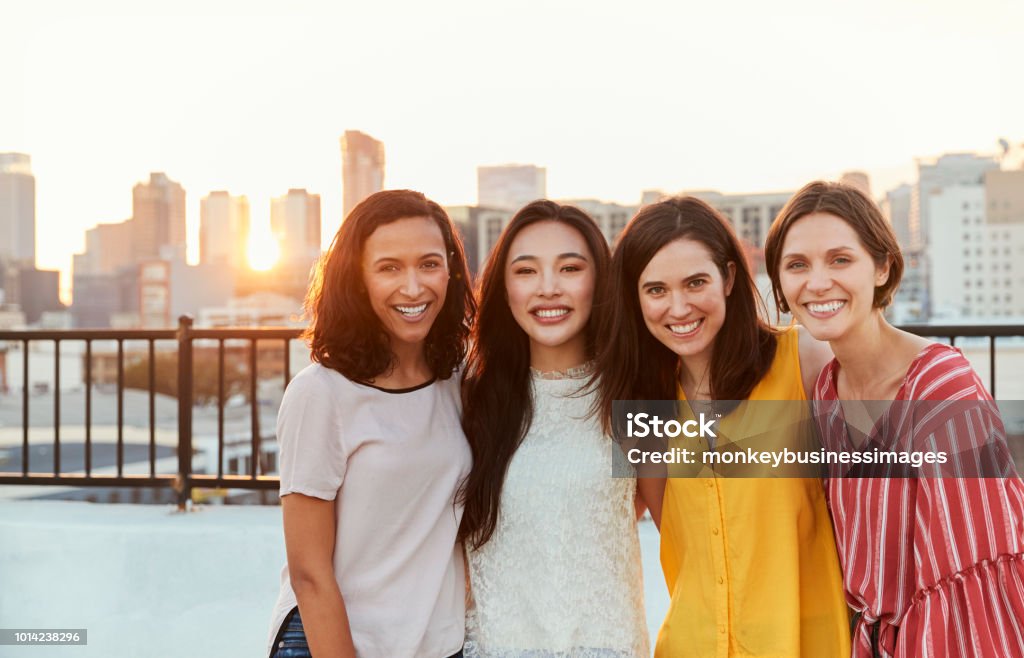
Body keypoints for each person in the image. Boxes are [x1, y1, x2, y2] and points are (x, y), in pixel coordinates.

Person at [765, 180, 1024, 658]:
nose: (817, 282)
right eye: (797, 265)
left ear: (882, 267)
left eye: (840, 260)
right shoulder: (826, 389)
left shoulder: (941, 388)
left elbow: (976, 585)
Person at [595, 196, 851, 657]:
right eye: (655, 290)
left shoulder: (806, 363)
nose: (678, 308)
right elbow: (678, 548)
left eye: (696, 282)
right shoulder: (644, 411)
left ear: (729, 278)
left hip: (807, 643)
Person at [266, 189, 476, 658]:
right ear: (357, 280)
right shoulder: (321, 393)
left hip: (434, 645)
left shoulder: (459, 382)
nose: (414, 287)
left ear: (451, 271)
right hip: (331, 643)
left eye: (429, 264)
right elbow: (309, 572)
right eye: (389, 268)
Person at [459, 199, 649, 657]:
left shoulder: (635, 393)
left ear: (599, 281)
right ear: (504, 290)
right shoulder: (468, 397)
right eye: (525, 272)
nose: (548, 288)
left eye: (570, 269)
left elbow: (692, 530)